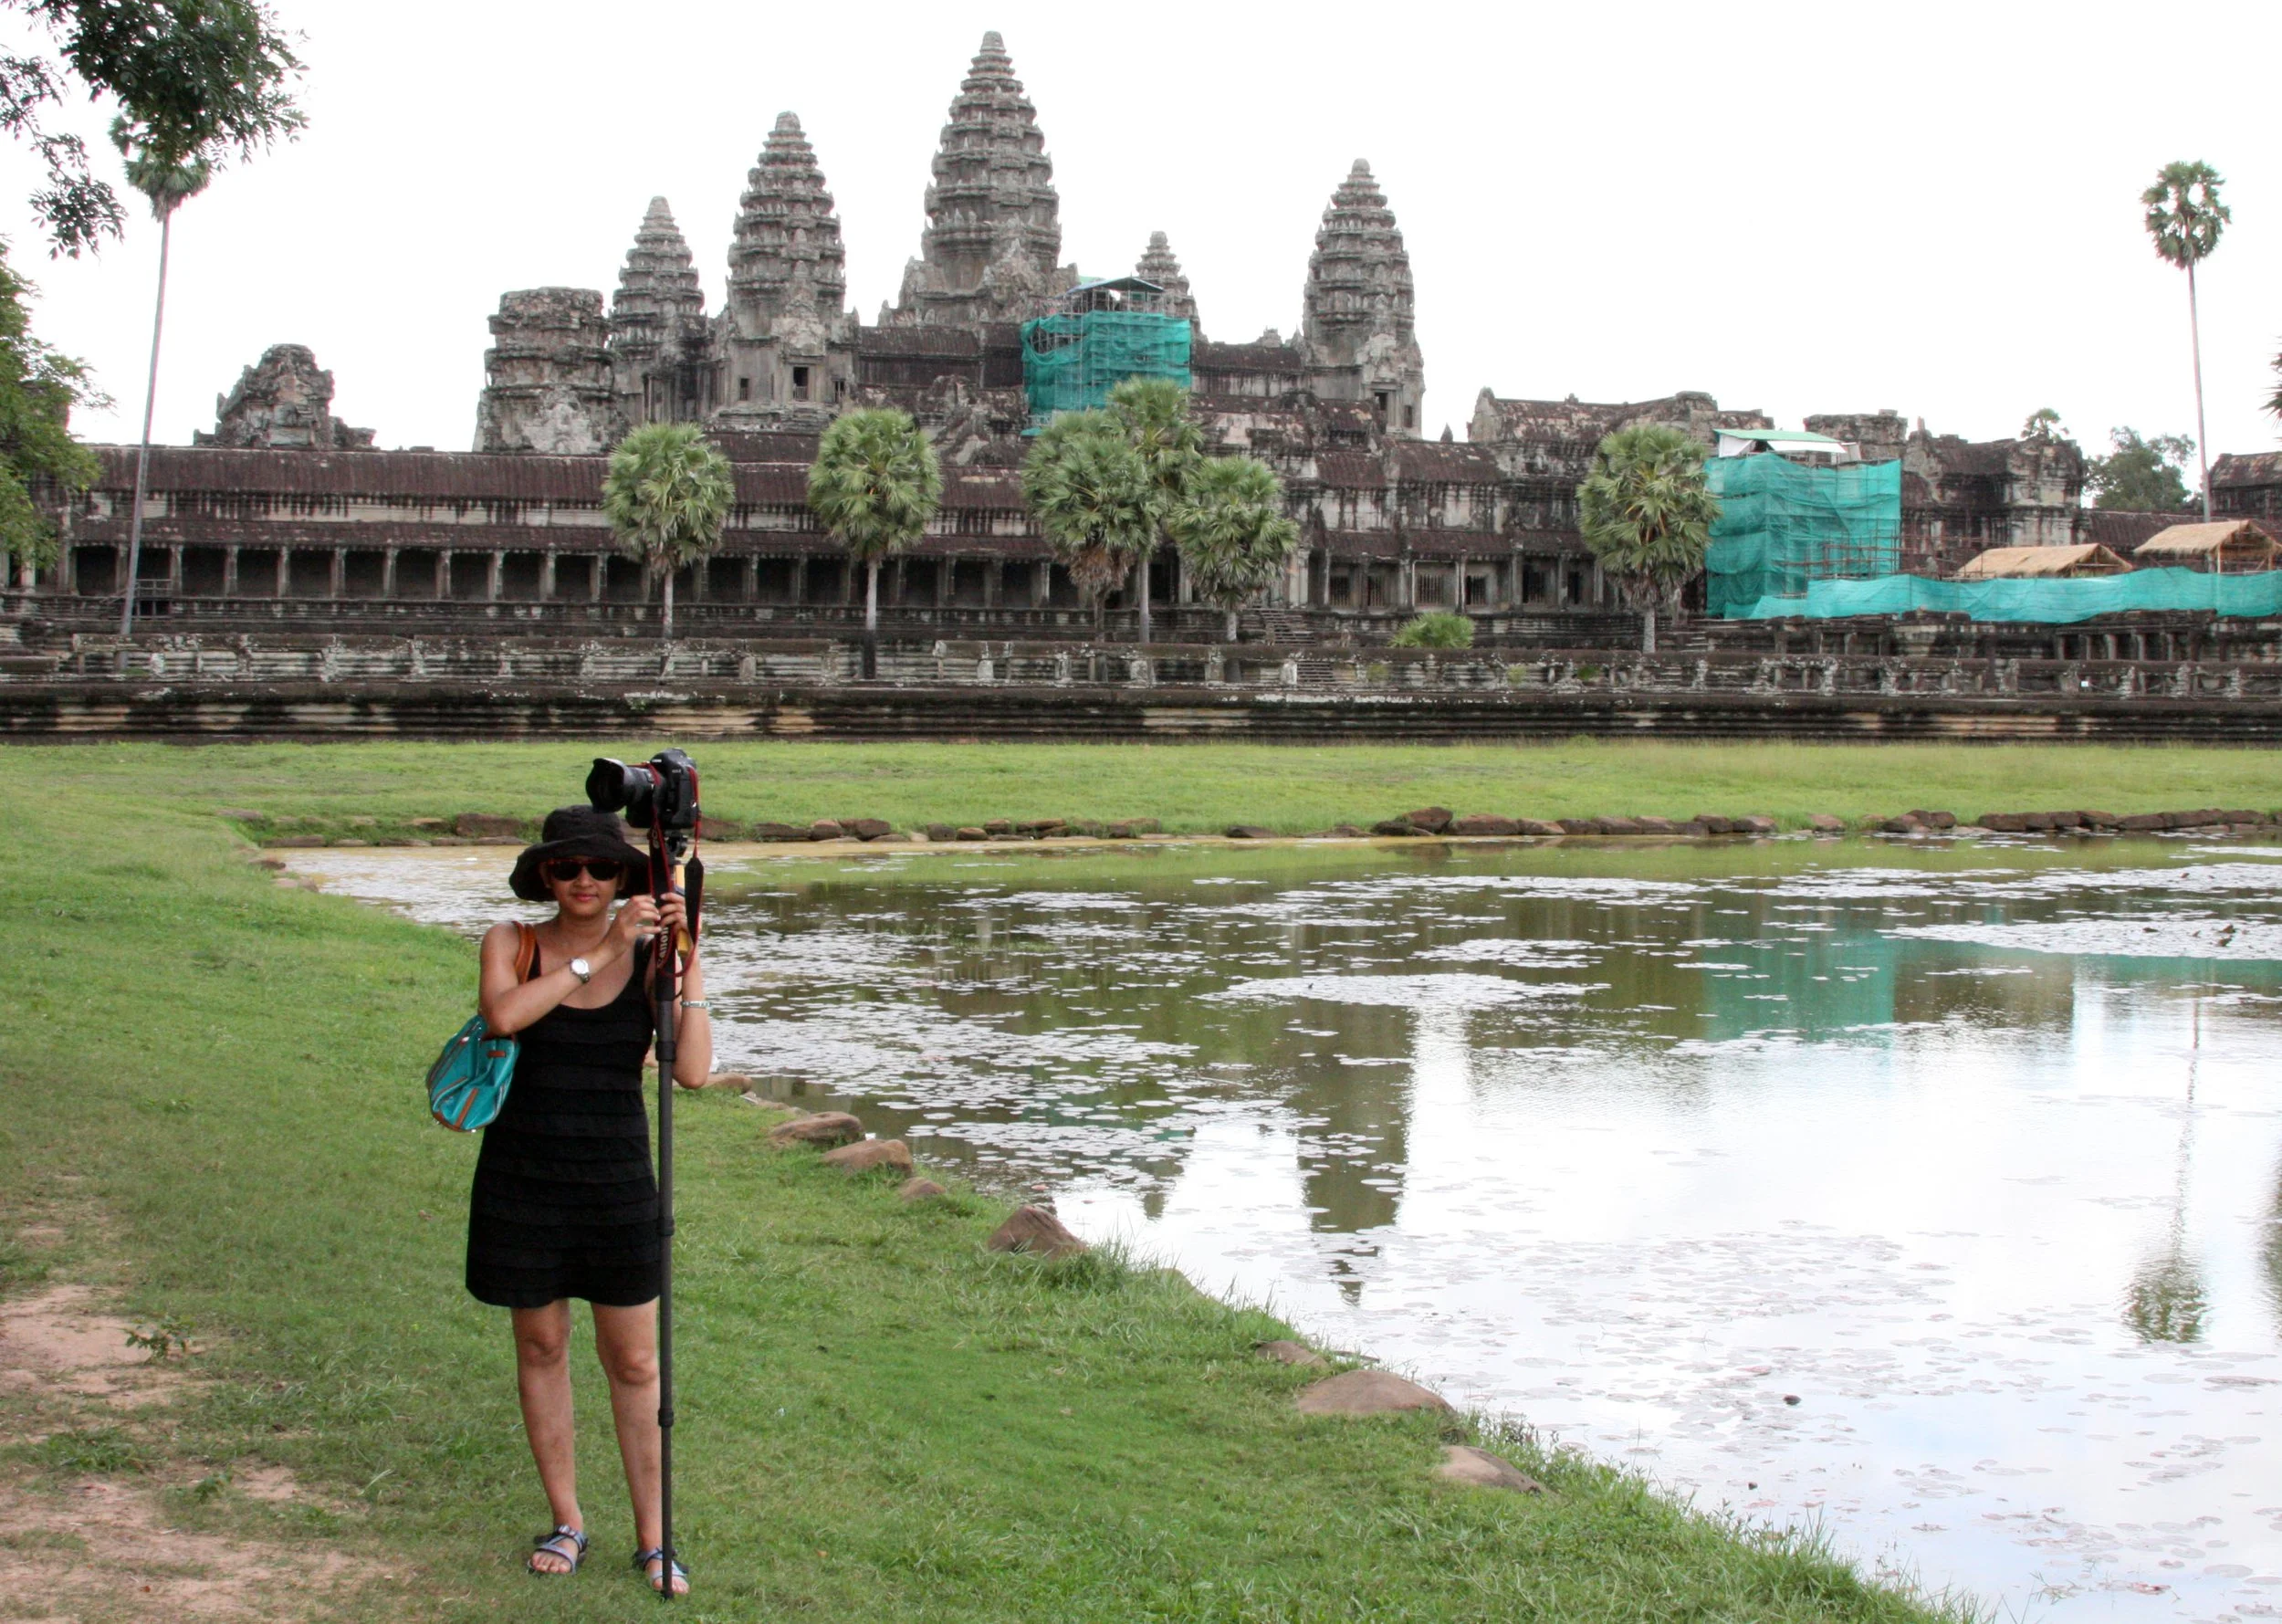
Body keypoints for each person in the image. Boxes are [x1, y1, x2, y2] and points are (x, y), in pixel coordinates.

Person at [467, 806, 710, 1596]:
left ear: (622, 877)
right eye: (567, 867)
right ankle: (567, 1519)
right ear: (545, 874)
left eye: (601, 868)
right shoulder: (512, 941)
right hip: (523, 1175)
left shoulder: (650, 957)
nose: (584, 880)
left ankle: (654, 1537)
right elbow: (504, 1014)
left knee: (634, 1360)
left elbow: (692, 1072)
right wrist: (599, 952)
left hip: (616, 1180)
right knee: (541, 1347)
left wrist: (689, 961)